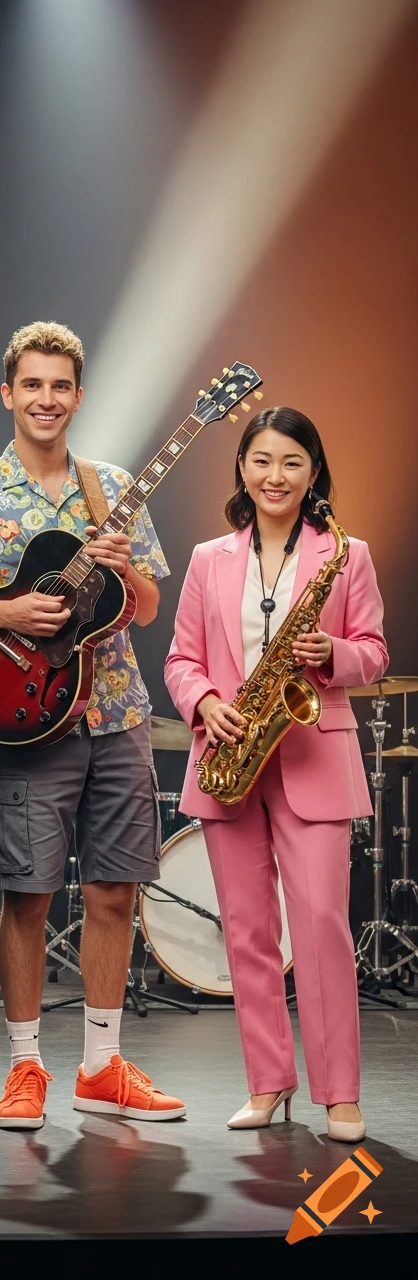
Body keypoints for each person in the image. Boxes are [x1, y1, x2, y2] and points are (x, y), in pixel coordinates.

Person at [0, 321, 186, 1130]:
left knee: (113, 892)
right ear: (8, 394)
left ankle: (101, 1065)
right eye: (33, 384)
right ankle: (26, 1069)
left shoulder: (112, 487)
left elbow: (150, 607)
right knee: (26, 896)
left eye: (61, 386)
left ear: (78, 397)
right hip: (30, 723)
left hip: (120, 714)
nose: (47, 399)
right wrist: (6, 610)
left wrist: (125, 567)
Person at [164, 406, 387, 1142]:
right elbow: (181, 659)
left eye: (291, 462)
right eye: (261, 460)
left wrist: (335, 655)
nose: (275, 475)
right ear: (242, 470)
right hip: (231, 756)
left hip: (313, 751)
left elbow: (375, 654)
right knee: (247, 933)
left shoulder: (345, 555)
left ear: (314, 472)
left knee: (322, 928)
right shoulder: (206, 558)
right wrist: (204, 702)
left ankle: (340, 1095)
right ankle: (268, 1084)